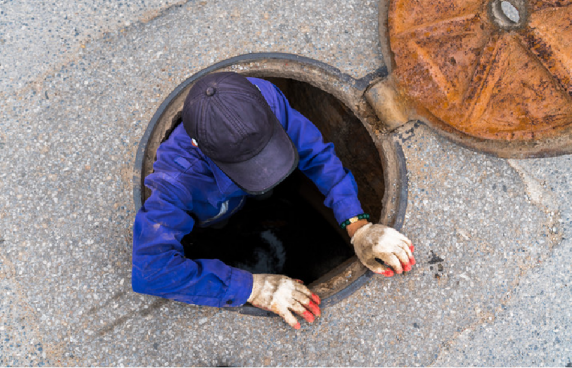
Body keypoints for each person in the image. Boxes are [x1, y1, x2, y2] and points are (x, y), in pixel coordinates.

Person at [132, 72, 415, 329]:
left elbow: (317, 155)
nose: (264, 170)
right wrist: (252, 288)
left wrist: (358, 225)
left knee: (266, 195)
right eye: (248, 164)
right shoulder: (176, 177)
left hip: (248, 201)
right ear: (197, 145)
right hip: (209, 222)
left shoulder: (262, 96)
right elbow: (153, 269)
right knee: (216, 232)